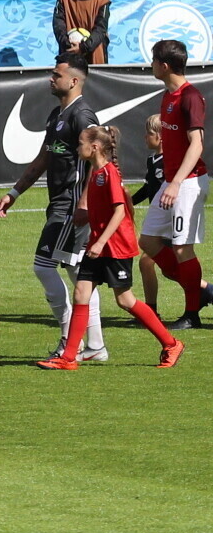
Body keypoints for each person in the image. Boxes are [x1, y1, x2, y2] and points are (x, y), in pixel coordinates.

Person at [41, 125, 185, 370]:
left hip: (115, 248)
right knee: (81, 293)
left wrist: (99, 242)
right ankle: (68, 358)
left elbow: (120, 212)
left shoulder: (109, 174)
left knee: (125, 300)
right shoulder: (96, 173)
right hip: (99, 245)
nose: (77, 147)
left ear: (95, 147)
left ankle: (171, 344)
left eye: (80, 143)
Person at [0, 59, 110, 359]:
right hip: (60, 202)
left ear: (73, 81)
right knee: (77, 272)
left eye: (56, 75)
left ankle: (69, 338)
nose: (51, 78)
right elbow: (43, 159)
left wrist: (85, 203)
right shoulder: (56, 114)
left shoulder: (83, 116)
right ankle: (95, 346)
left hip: (71, 205)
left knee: (43, 267)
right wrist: (14, 192)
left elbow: (99, 162)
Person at [140, 38, 211, 329]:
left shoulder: (189, 96)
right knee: (148, 242)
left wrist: (176, 183)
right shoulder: (167, 95)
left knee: (182, 249)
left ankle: (192, 314)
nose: (151, 65)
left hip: (188, 183)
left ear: (165, 65)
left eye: (154, 60)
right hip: (172, 182)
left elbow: (197, 144)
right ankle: (202, 290)